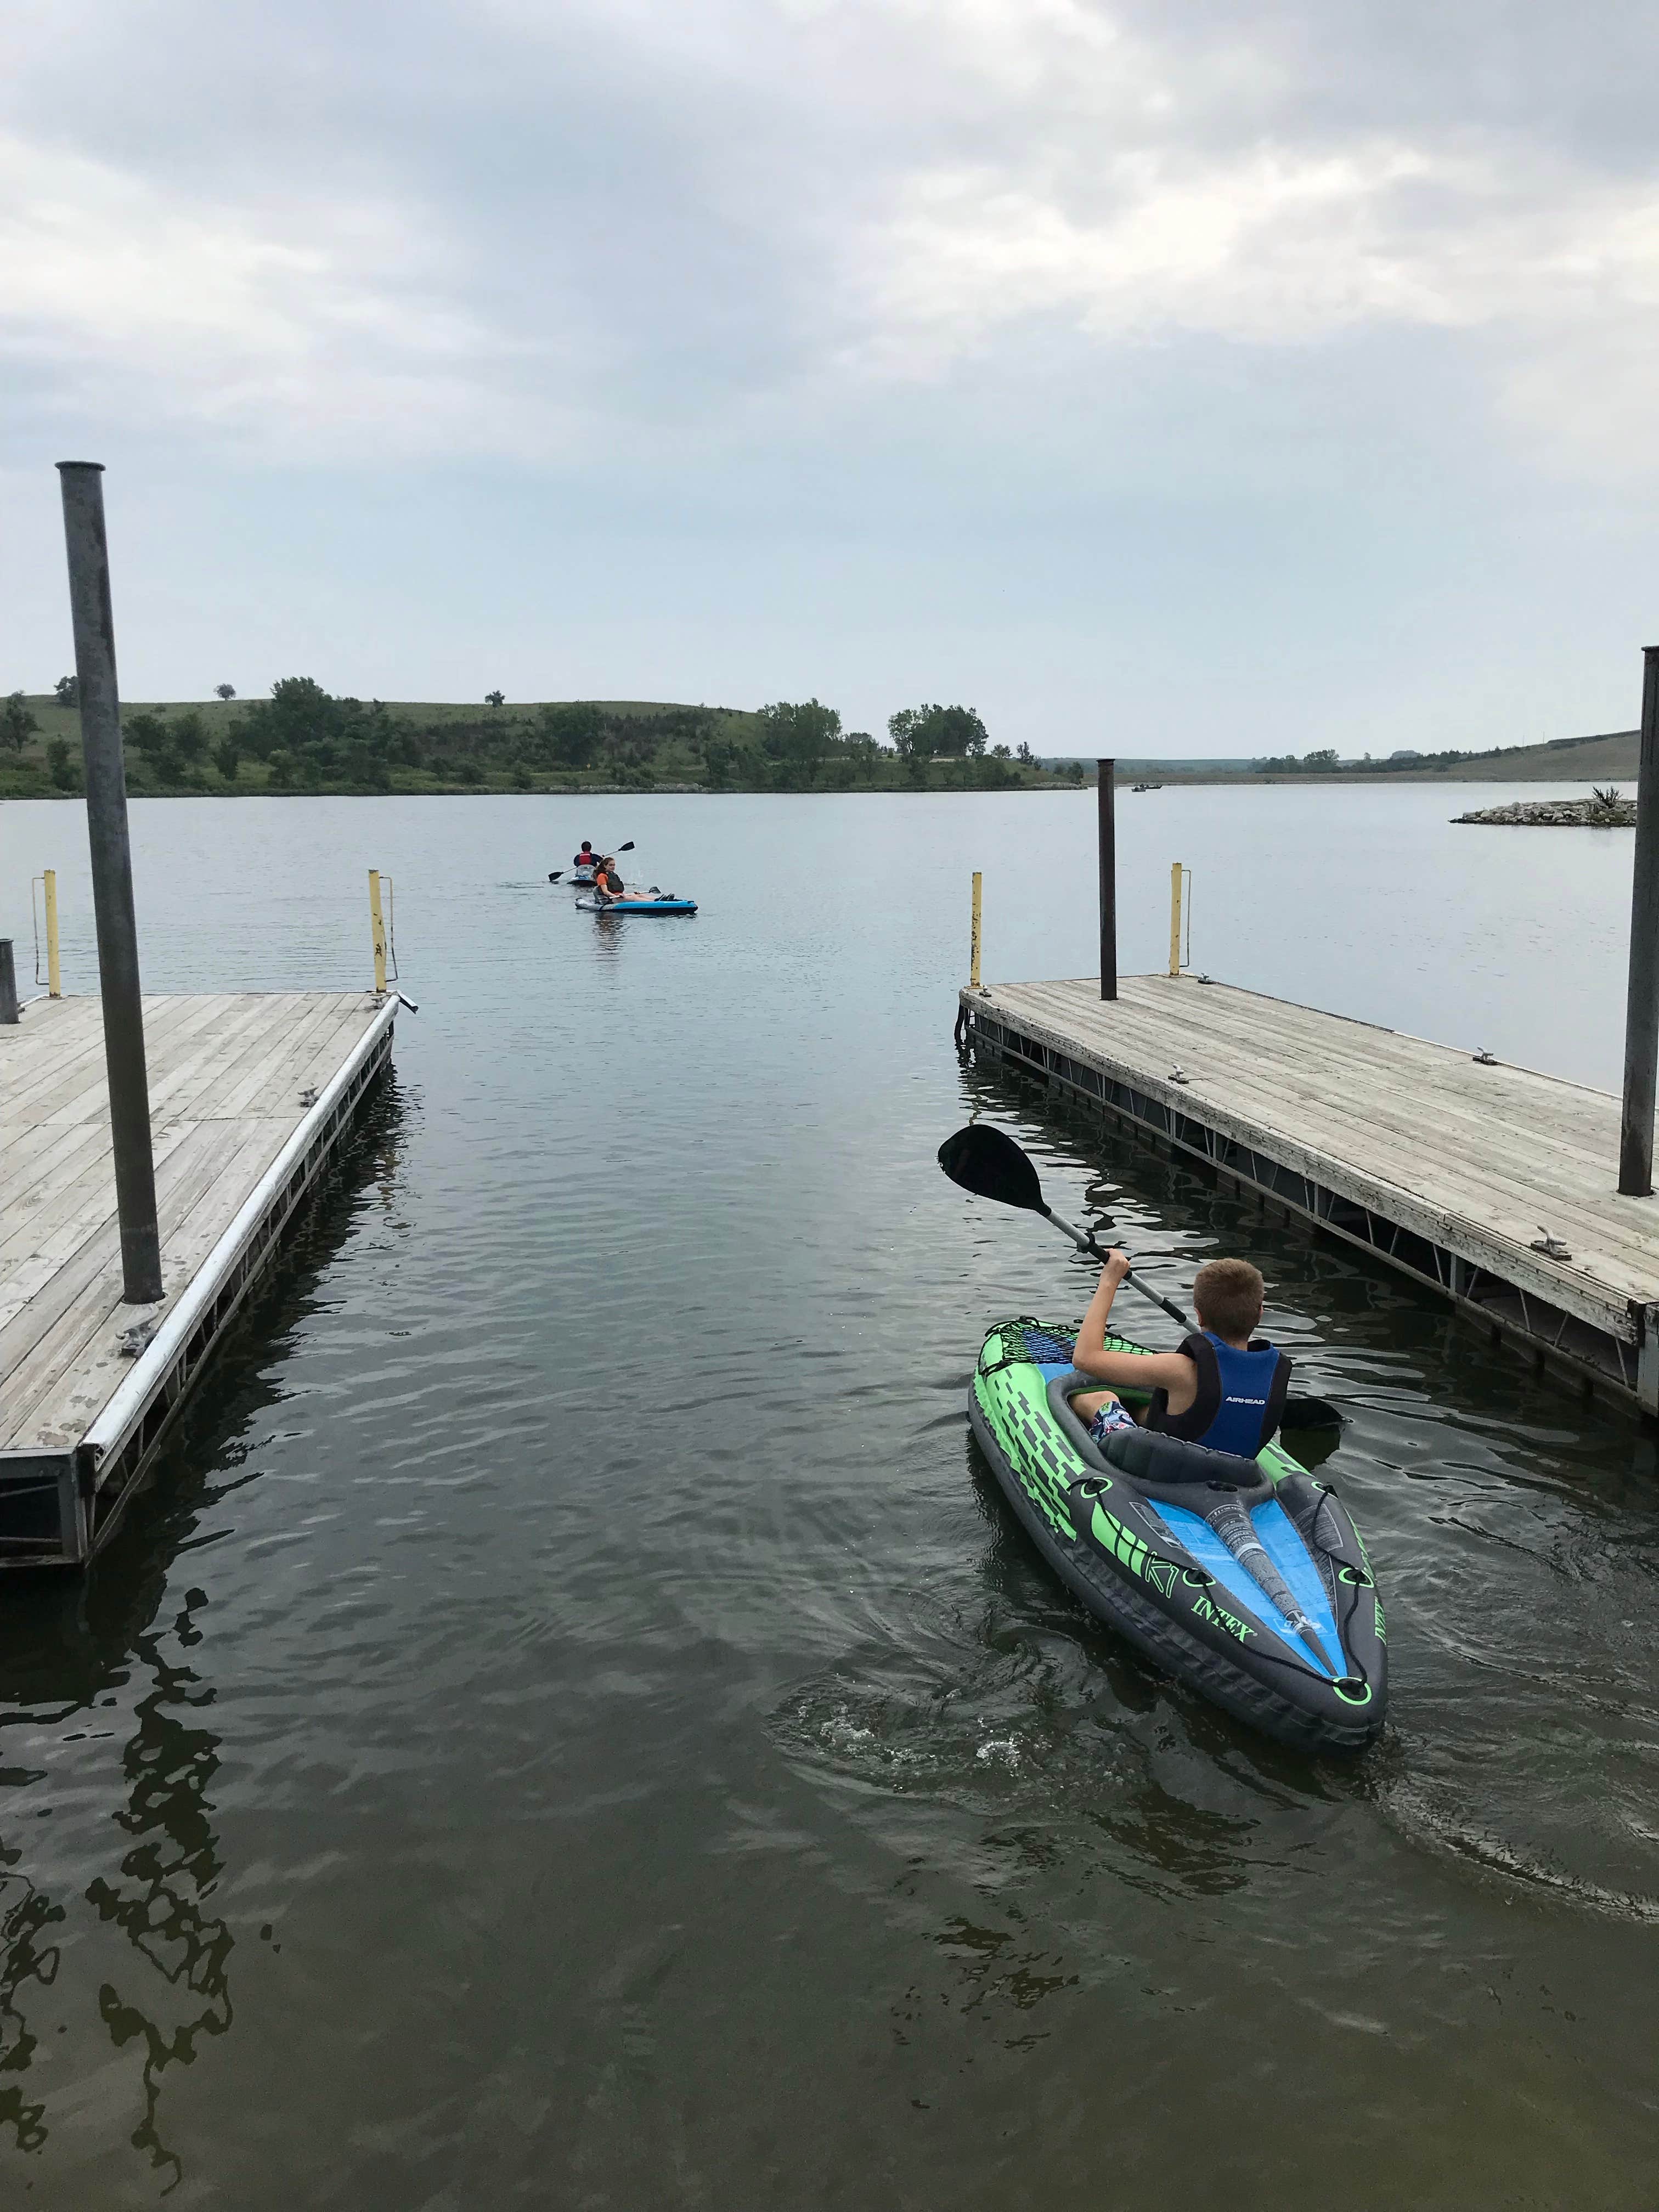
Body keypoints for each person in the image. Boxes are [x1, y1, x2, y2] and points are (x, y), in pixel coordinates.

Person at [1066, 1251, 1289, 1457]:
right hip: (1237, 1474)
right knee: (1147, 1410)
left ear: (1199, 1316)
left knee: (1101, 1398)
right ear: (1260, 1313)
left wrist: (1109, 1280)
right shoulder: (1275, 1373)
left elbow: (1085, 1358)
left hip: (1166, 1472)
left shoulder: (1180, 1369)